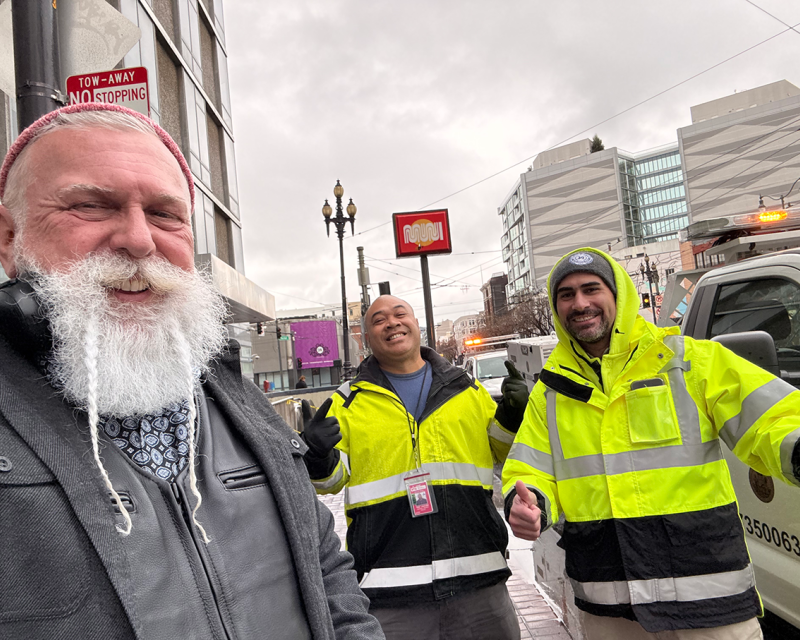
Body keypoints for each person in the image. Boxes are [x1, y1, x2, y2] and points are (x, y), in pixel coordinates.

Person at [0, 103, 383, 640]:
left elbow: (326, 575)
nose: (139, 239)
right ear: (9, 236)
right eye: (89, 205)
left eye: (165, 214)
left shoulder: (241, 403)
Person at [502, 247, 800, 640]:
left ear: (618, 296)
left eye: (592, 289)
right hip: (611, 606)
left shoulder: (689, 361)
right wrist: (528, 503)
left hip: (707, 599)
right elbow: (529, 469)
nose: (580, 303)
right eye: (567, 294)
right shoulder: (550, 394)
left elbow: (774, 417)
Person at [301, 295, 530, 640]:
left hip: (479, 578)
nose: (391, 322)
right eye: (378, 320)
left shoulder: (465, 389)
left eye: (399, 314)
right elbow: (330, 481)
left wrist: (513, 417)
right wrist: (316, 455)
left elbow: (499, 451)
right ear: (366, 339)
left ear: (415, 325)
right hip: (390, 589)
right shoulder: (347, 402)